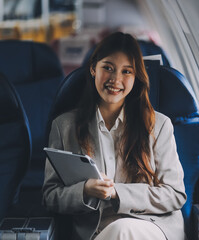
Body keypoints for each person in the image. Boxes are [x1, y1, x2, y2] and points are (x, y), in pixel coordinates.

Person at [42, 32, 187, 240]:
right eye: (108, 68)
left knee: (123, 230)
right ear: (93, 68)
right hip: (96, 232)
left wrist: (116, 192)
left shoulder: (159, 125)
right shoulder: (64, 126)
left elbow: (175, 194)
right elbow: (50, 196)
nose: (116, 79)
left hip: (152, 227)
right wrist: (84, 190)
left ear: (135, 77)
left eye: (126, 71)